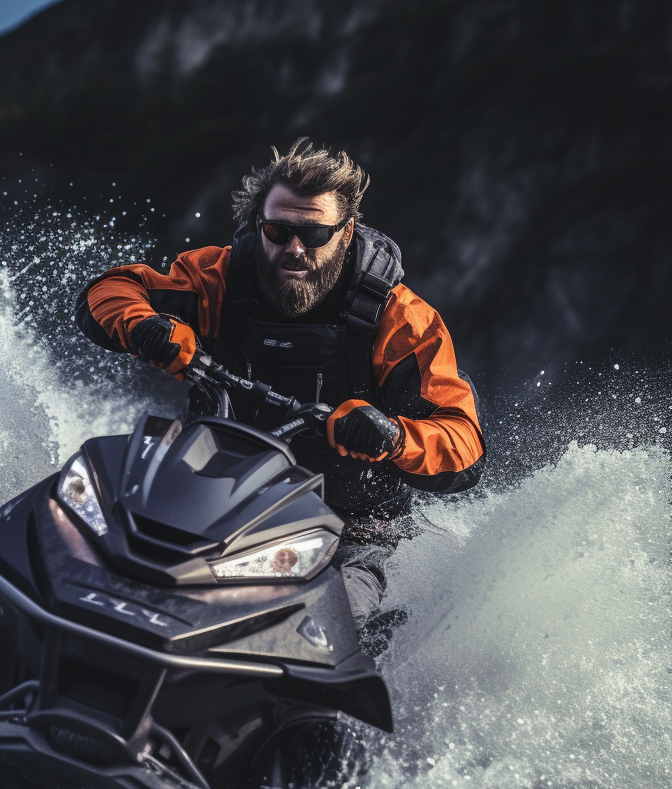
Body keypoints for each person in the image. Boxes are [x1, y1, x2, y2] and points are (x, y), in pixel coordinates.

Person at [75, 139, 485, 628]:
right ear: (258, 227)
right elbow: (115, 287)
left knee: (330, 631)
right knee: (90, 564)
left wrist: (391, 437)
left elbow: (464, 444)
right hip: (208, 501)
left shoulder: (402, 321)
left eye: (313, 233)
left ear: (346, 231)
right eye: (278, 230)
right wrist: (143, 326)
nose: (294, 248)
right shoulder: (220, 278)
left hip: (351, 531)